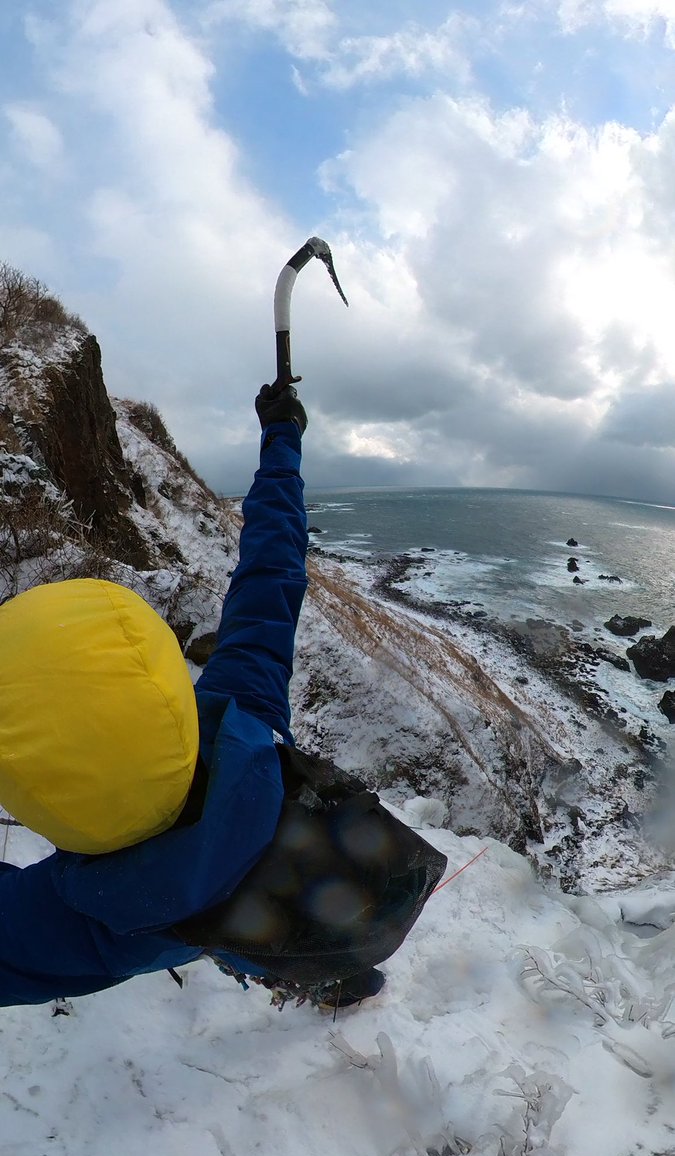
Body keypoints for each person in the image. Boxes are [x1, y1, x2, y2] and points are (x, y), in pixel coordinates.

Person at [0, 383, 445, 1009]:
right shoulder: (246, 718)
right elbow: (271, 568)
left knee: (232, 934)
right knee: (282, 919)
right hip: (286, 868)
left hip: (181, 928)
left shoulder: (86, 925)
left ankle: (275, 963)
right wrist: (281, 438)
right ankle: (333, 974)